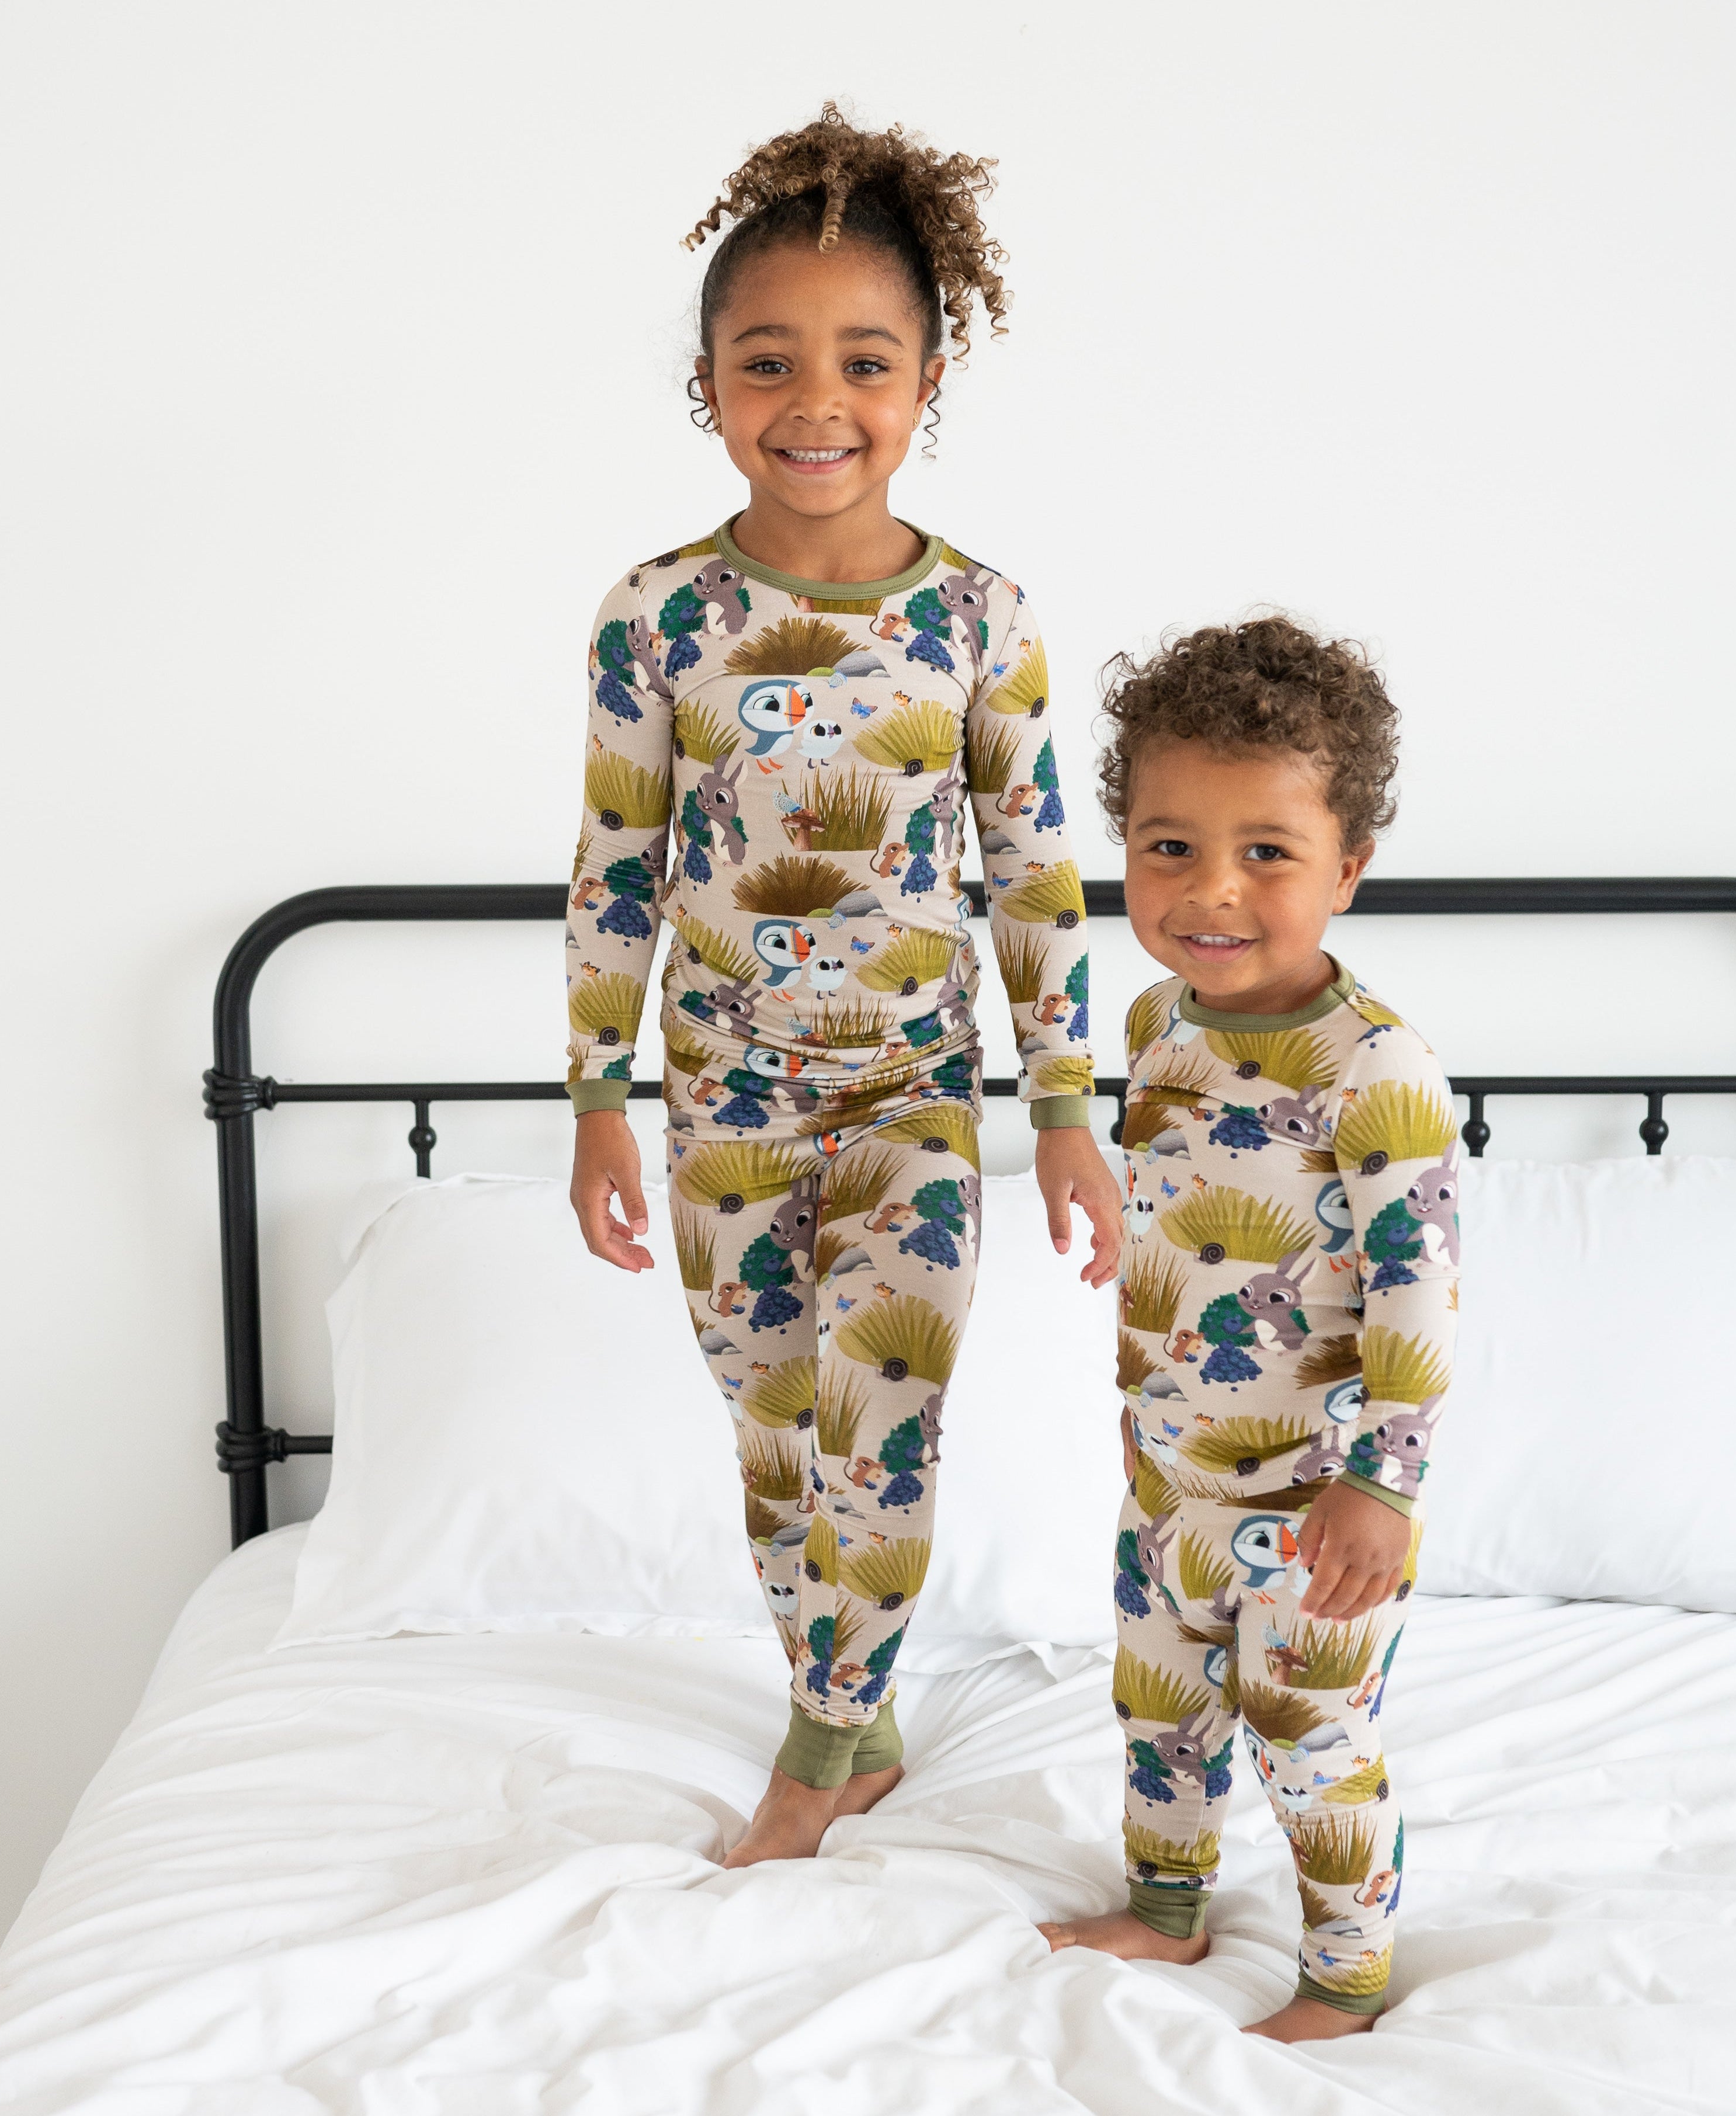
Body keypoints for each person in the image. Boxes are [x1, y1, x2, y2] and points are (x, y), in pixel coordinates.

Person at [565, 104, 1122, 1867]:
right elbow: (617, 862)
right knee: (774, 1432)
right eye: (768, 360)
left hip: (911, 1106)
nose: (817, 400)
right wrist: (594, 1098)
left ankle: (818, 1753)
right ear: (711, 386)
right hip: (718, 1104)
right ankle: (856, 1682)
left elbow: (1034, 873)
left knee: (879, 1419)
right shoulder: (654, 617)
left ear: (927, 379)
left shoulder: (984, 621)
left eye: (864, 361)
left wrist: (1069, 1114)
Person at [1040, 616, 1459, 2042]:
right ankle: (1165, 1905)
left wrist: (1381, 1484)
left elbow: (1416, 1289)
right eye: (1169, 847)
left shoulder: (1376, 1072)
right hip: (1170, 1479)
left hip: (1316, 1503)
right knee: (1157, 1707)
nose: (1211, 889)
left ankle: (1344, 1975)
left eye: (1267, 853)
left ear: (1348, 869)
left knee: (1308, 1740)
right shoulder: (1160, 1019)